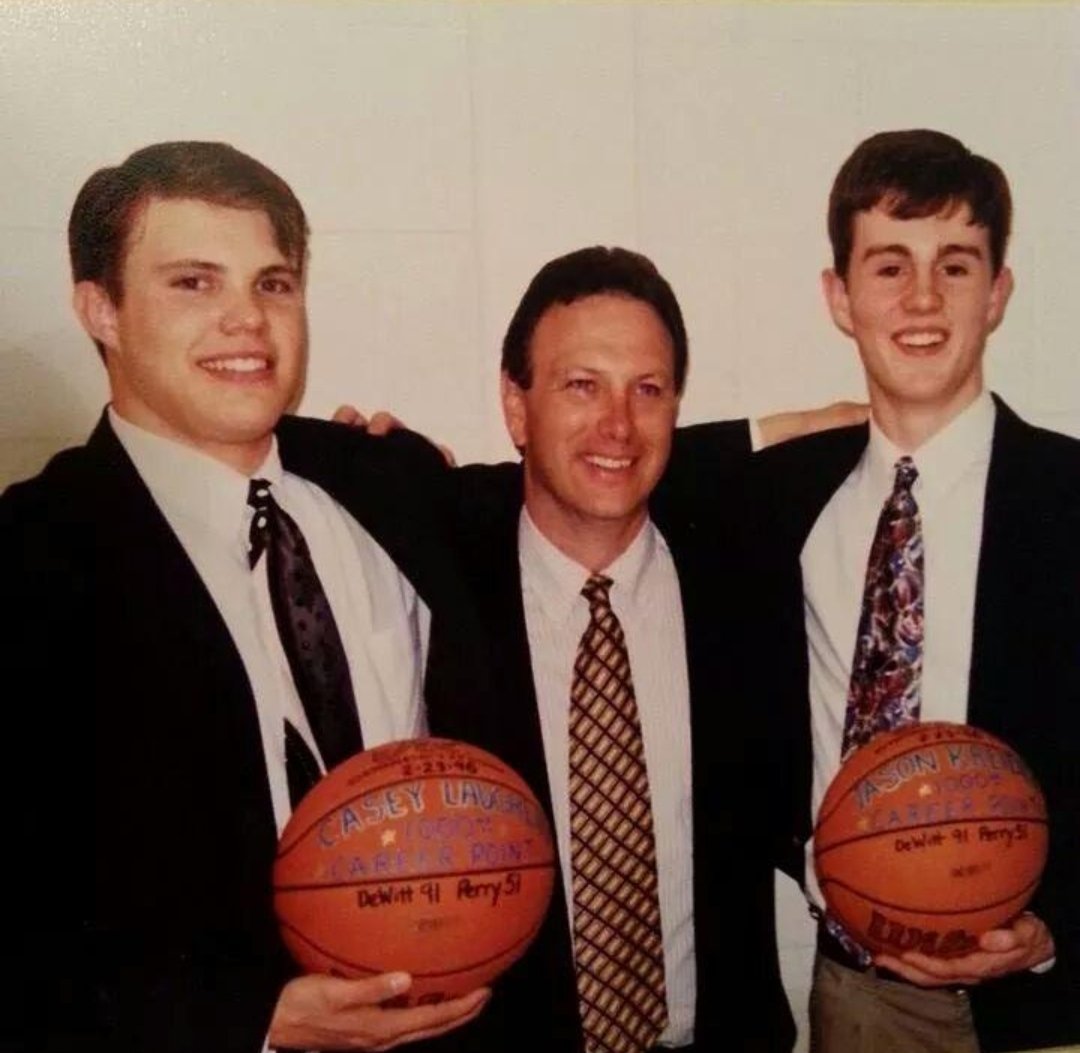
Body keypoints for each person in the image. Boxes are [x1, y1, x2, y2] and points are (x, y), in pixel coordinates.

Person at [1, 141, 491, 1053]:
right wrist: (247, 1017)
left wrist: (828, 427)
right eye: (194, 283)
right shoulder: (29, 561)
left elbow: (595, 475)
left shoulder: (392, 479)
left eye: (273, 284)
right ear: (98, 309)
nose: (247, 322)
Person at [395, 246, 817, 1053]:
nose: (618, 424)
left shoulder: (742, 580)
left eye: (647, 390)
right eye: (581, 385)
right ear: (516, 408)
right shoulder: (440, 570)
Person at [732, 129, 1079, 1053]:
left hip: (1047, 998)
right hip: (859, 998)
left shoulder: (1071, 499)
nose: (922, 298)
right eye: (889, 266)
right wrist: (387, 456)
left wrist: (1057, 931)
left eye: (955, 266)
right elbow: (611, 455)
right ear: (839, 297)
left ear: (999, 291)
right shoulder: (779, 501)